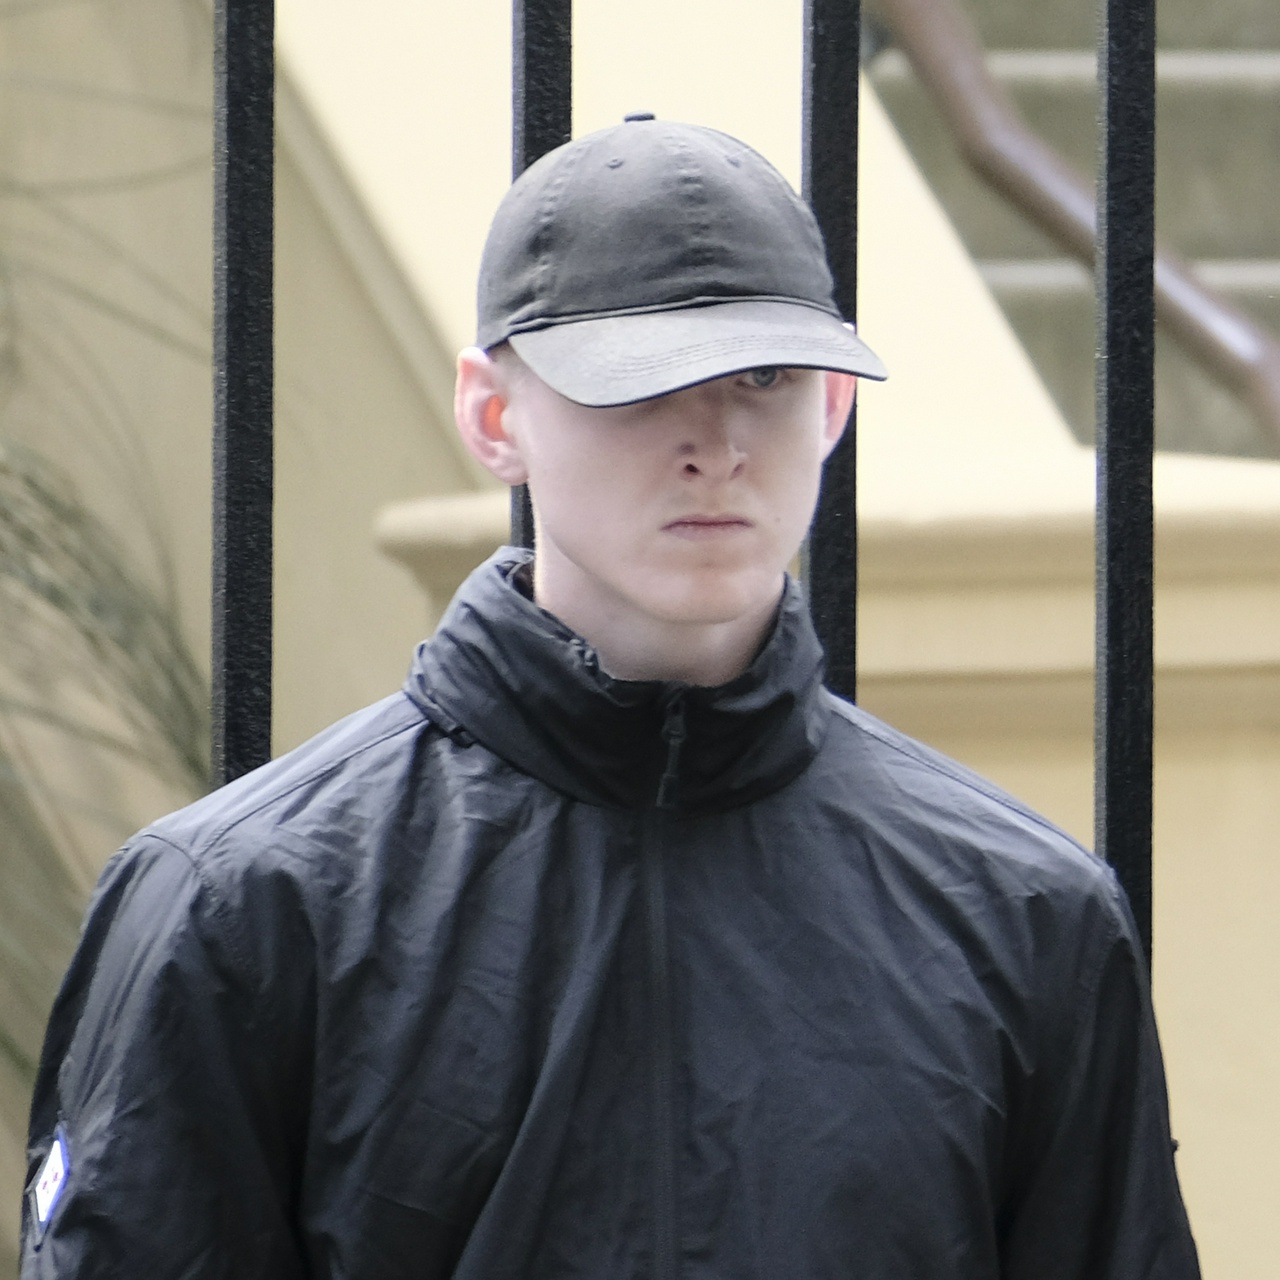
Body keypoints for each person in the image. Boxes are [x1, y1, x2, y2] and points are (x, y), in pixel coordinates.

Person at [21, 116, 1199, 1278]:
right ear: (494, 416)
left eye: (762, 376)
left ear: (831, 409)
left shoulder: (1025, 912)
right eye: (636, 381)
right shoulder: (244, 906)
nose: (714, 442)